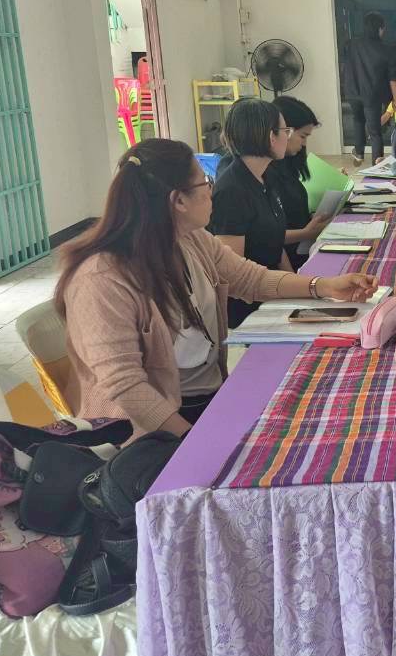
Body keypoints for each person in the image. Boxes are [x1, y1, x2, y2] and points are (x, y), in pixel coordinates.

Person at [55, 139, 376, 438]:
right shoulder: (102, 279)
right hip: (145, 432)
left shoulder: (190, 239)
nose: (212, 190)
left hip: (206, 399)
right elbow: (127, 388)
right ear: (178, 200)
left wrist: (325, 286)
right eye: (205, 183)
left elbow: (251, 279)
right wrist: (192, 440)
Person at [209, 99, 292, 327]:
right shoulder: (231, 191)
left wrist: (296, 285)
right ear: (271, 136)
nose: (288, 137)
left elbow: (275, 241)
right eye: (285, 131)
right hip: (250, 305)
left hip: (276, 290)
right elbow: (233, 272)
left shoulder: (266, 175)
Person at [272, 95, 333, 269]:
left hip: (302, 249)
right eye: (303, 136)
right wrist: (306, 232)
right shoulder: (264, 173)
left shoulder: (288, 164)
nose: (304, 144)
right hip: (288, 259)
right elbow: (267, 235)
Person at [344, 11, 393, 166]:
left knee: (358, 119)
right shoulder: (384, 49)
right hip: (371, 94)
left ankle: (359, 152)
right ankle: (377, 164)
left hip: (352, 91)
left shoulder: (351, 44)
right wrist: (393, 97)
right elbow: (391, 77)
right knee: (375, 131)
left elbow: (345, 66)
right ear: (380, 28)